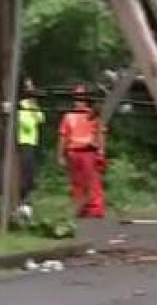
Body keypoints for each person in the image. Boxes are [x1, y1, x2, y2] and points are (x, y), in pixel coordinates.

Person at [57, 83, 106, 218]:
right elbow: (63, 136)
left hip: (89, 151)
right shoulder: (68, 116)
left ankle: (95, 209)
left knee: (92, 182)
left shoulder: (93, 114)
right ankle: (80, 209)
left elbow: (100, 133)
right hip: (73, 152)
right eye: (77, 96)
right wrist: (60, 155)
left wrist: (101, 151)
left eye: (82, 96)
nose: (79, 99)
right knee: (77, 183)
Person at [16, 77, 44, 221]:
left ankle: (26, 201)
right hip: (23, 141)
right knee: (24, 173)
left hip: (33, 142)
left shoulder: (32, 104)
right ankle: (22, 202)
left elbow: (40, 119)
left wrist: (34, 107)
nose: (31, 89)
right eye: (28, 87)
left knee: (31, 174)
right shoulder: (20, 105)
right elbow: (26, 124)